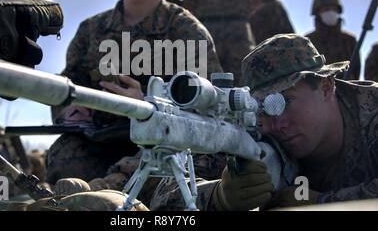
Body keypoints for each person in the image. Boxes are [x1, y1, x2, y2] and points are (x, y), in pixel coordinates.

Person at [46, 0, 222, 187]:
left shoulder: (185, 31)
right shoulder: (92, 30)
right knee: (65, 154)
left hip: (163, 143)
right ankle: (88, 196)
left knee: (190, 162)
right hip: (101, 141)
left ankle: (106, 192)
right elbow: (69, 82)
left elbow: (210, 107)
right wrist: (69, 109)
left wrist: (151, 103)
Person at [150, 34, 378, 210]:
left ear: (326, 87)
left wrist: (324, 203)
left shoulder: (372, 109)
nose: (276, 124)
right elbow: (158, 192)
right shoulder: (250, 126)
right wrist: (219, 197)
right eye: (263, 110)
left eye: (285, 102)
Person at [305, 0, 360, 80]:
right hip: (316, 91)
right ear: (317, 12)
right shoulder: (308, 41)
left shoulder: (349, 40)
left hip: (344, 91)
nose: (331, 12)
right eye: (326, 9)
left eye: (334, 9)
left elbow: (356, 70)